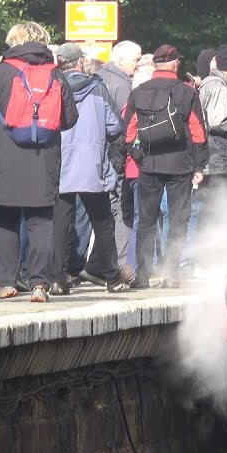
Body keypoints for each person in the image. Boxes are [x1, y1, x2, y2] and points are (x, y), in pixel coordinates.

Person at [0, 21, 79, 302]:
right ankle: (39, 285)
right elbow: (69, 118)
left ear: (14, 40)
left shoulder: (3, 70)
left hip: (5, 157)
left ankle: (5, 282)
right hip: (44, 157)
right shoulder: (54, 73)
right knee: (41, 221)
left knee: (7, 219)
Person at [52, 43, 134, 293]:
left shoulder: (53, 88)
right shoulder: (97, 88)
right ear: (79, 63)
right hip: (92, 164)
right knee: (102, 220)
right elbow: (114, 127)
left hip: (60, 164)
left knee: (60, 222)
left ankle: (56, 278)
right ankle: (111, 277)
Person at [125, 45, 207, 288]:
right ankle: (171, 274)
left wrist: (138, 156)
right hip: (180, 165)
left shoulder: (139, 92)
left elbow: (128, 131)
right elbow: (198, 132)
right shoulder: (186, 92)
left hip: (149, 165)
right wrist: (199, 164)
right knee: (179, 220)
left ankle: (142, 276)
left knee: (147, 222)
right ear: (175, 63)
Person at [99, 40, 141, 266]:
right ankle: (123, 263)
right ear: (120, 59)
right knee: (122, 209)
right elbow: (127, 125)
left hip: (100, 153)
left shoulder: (99, 76)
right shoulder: (123, 84)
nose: (138, 63)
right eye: (135, 58)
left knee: (104, 209)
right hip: (117, 155)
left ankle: (100, 263)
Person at [197, 45, 227, 247]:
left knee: (209, 206)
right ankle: (213, 251)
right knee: (218, 207)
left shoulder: (209, 84)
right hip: (219, 156)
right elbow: (218, 122)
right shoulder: (218, 87)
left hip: (211, 155)